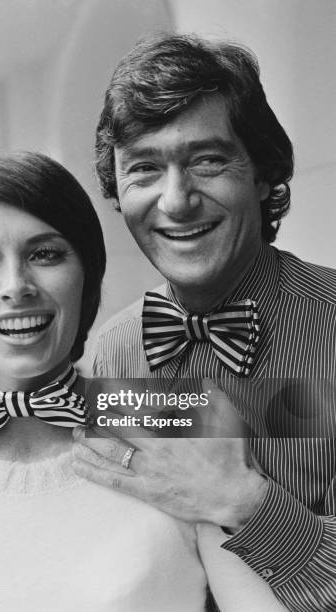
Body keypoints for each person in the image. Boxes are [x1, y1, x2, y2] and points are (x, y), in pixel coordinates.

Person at [71, 33, 336, 611]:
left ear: (264, 175)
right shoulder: (114, 353)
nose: (175, 199)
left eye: (208, 160)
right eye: (143, 169)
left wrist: (248, 504)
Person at [0, 151, 212, 612]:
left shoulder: (177, 421)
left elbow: (299, 407)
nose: (15, 285)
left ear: (86, 275)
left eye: (45, 253)